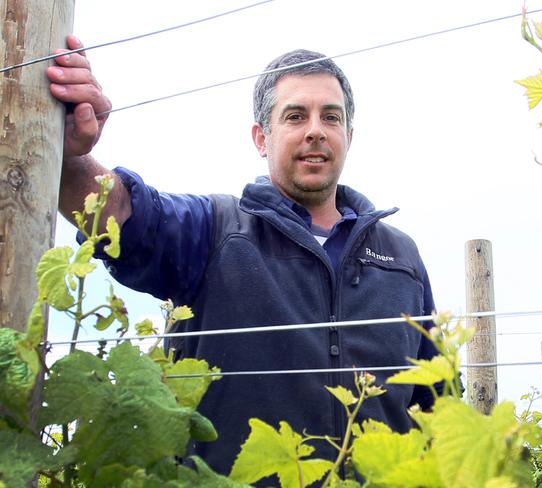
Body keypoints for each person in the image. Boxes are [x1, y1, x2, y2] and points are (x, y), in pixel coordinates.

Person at [48, 36, 440, 476]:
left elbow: (433, 408)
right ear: (262, 137)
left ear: (348, 136)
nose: (316, 129)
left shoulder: (402, 258)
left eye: (331, 116)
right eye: (295, 116)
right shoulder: (215, 230)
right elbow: (119, 212)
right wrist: (61, 148)